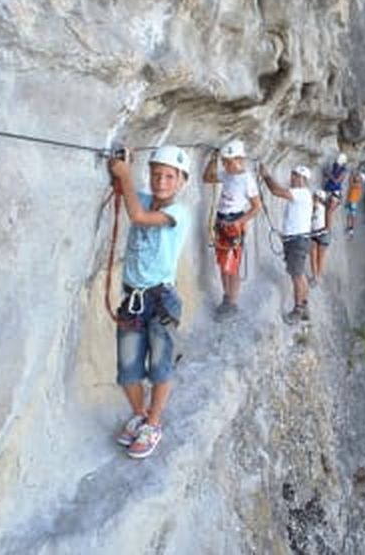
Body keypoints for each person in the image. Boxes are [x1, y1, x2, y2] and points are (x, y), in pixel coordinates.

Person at [108, 145, 190, 459]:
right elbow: (127, 194)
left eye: (169, 176)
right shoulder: (142, 198)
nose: (161, 181)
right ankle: (140, 414)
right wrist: (122, 165)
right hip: (134, 298)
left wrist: (125, 174)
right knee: (127, 370)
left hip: (161, 300)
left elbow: (139, 217)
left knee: (160, 367)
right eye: (156, 175)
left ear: (182, 181)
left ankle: (153, 424)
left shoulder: (179, 213)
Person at [202, 138, 261, 320]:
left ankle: (232, 302)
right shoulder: (227, 174)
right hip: (221, 221)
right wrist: (213, 160)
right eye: (224, 162)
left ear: (240, 159)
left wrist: (239, 222)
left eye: (229, 162)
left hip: (234, 223)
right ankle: (226, 297)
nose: (226, 165)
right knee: (222, 264)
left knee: (232, 266)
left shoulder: (247, 180)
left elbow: (256, 207)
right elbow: (207, 178)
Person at [259, 163, 313, 324]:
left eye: (296, 175)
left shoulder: (301, 193)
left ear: (303, 179)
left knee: (297, 275)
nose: (292, 178)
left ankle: (298, 310)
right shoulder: (303, 194)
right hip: (297, 239)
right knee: (300, 273)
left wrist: (266, 176)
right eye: (292, 175)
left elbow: (276, 191)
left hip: (297, 241)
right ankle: (304, 305)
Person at [309, 189, 330, 286]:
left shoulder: (319, 206)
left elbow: (315, 205)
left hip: (320, 234)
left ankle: (316, 276)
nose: (313, 198)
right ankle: (316, 276)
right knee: (317, 257)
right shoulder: (318, 207)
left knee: (317, 257)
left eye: (315, 197)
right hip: (317, 234)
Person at [322, 153, 347, 226]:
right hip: (330, 190)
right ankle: (326, 228)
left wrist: (329, 175)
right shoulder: (335, 166)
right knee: (327, 210)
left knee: (329, 211)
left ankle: (327, 228)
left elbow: (337, 181)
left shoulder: (343, 171)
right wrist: (327, 174)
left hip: (335, 191)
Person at [344, 169, 365, 237]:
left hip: (353, 201)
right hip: (349, 199)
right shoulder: (356, 183)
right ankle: (348, 227)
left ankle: (351, 228)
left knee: (352, 215)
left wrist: (352, 175)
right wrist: (353, 175)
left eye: (358, 177)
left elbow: (351, 184)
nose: (357, 177)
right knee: (348, 214)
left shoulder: (358, 184)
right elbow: (350, 183)